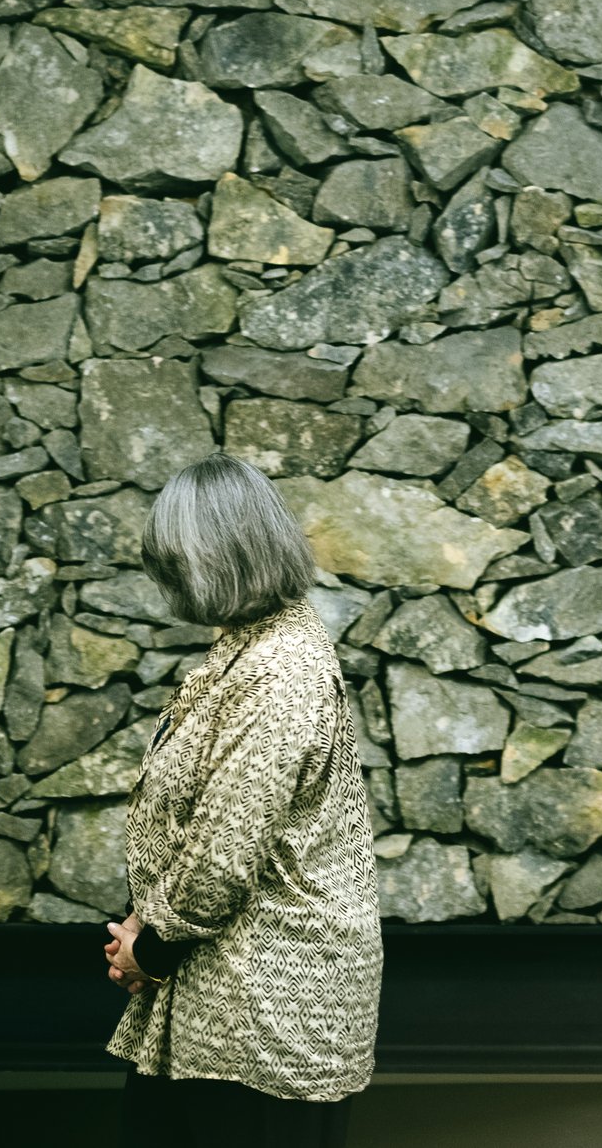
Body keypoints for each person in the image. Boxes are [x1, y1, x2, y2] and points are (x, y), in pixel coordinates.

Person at [102, 450, 381, 1147]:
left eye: (174, 562)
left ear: (215, 557)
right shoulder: (251, 647)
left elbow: (225, 851)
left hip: (264, 1012)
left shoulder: (279, 670)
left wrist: (151, 948)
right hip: (227, 996)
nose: (166, 579)